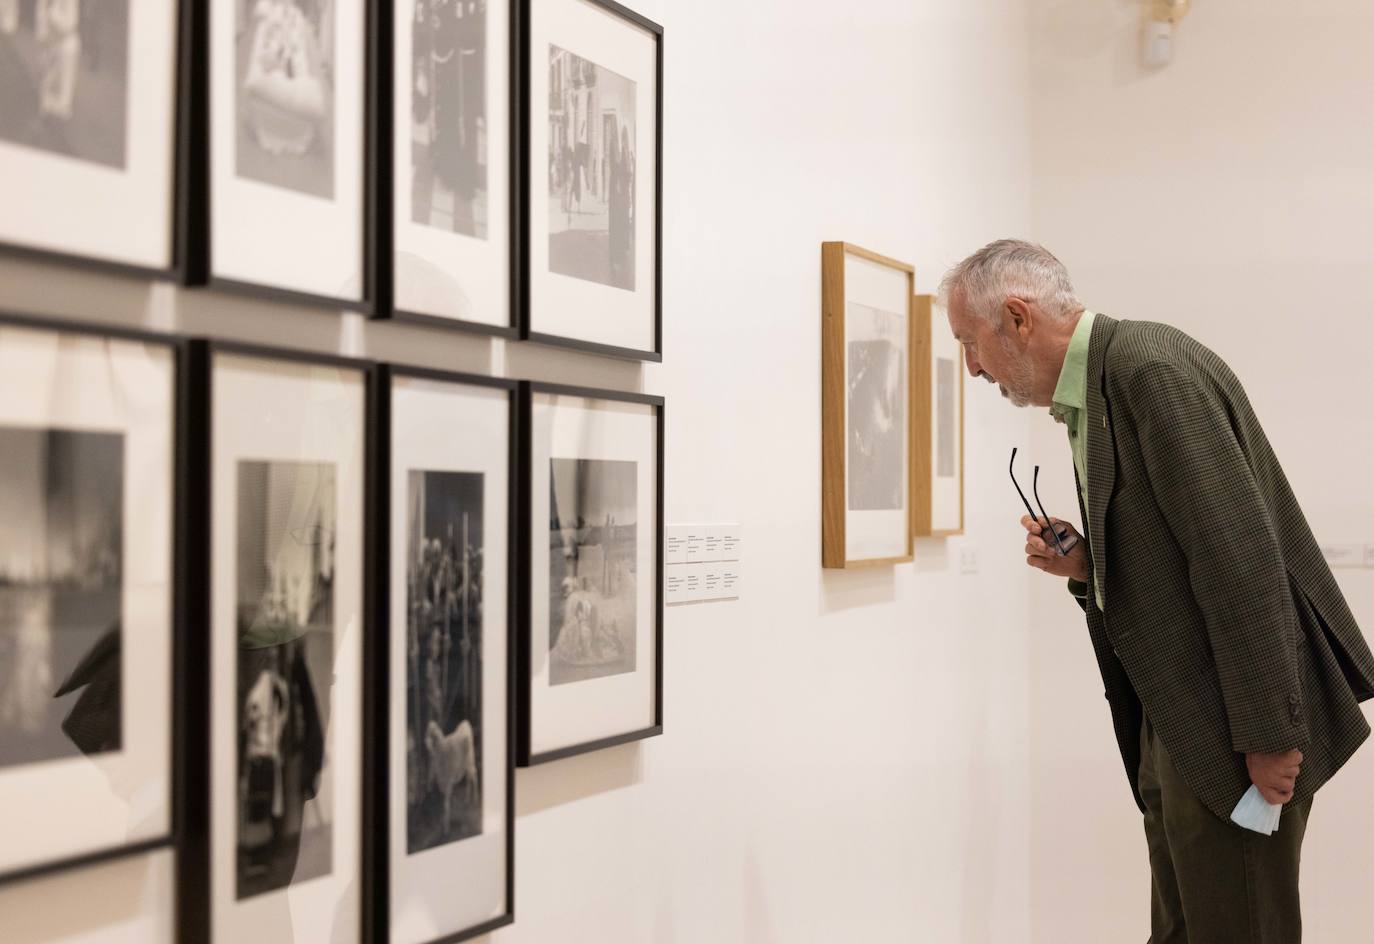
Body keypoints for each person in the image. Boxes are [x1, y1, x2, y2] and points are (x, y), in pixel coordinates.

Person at [939, 239, 1374, 942]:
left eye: (970, 342)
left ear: (1017, 318)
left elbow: (1239, 561)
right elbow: (1178, 553)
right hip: (1181, 718)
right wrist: (1087, 568)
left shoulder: (1149, 373)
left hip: (1231, 728)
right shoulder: (1103, 387)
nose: (973, 367)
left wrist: (1270, 733)